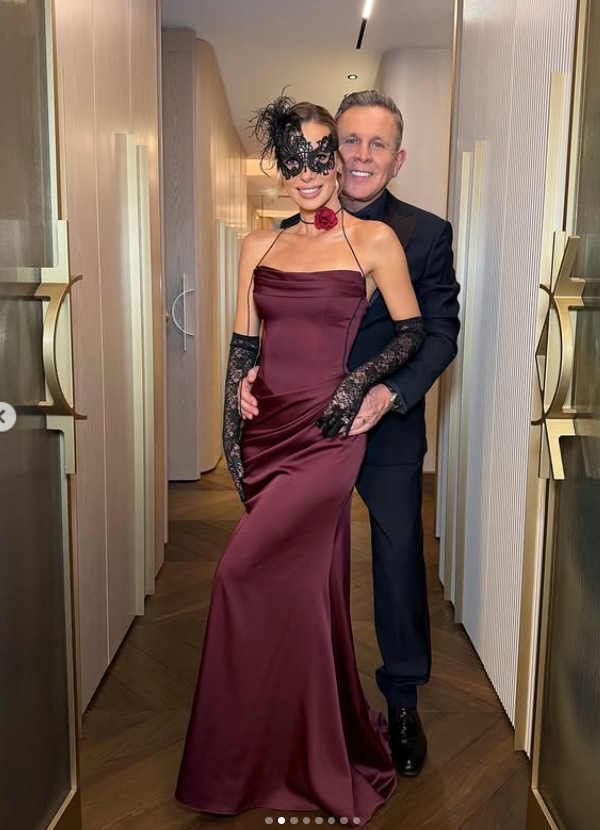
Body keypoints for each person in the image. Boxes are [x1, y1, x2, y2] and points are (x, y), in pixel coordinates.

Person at [175, 95, 426, 824]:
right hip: (269, 432)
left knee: (236, 574)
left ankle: (248, 761)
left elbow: (412, 332)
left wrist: (357, 384)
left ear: (338, 160)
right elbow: (241, 352)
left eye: (321, 155)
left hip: (328, 435)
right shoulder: (257, 244)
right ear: (279, 167)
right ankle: (295, 745)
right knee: (304, 594)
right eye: (294, 160)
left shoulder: (373, 240)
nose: (309, 172)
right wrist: (235, 445)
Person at [241, 90, 461, 776]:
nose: (361, 155)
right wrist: (256, 374)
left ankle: (402, 700)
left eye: (377, 144)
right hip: (299, 432)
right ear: (331, 150)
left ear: (398, 159)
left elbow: (438, 333)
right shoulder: (284, 230)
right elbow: (271, 325)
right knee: (303, 564)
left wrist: (389, 393)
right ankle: (307, 702)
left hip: (385, 430)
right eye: (351, 140)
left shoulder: (425, 234)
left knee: (396, 559)